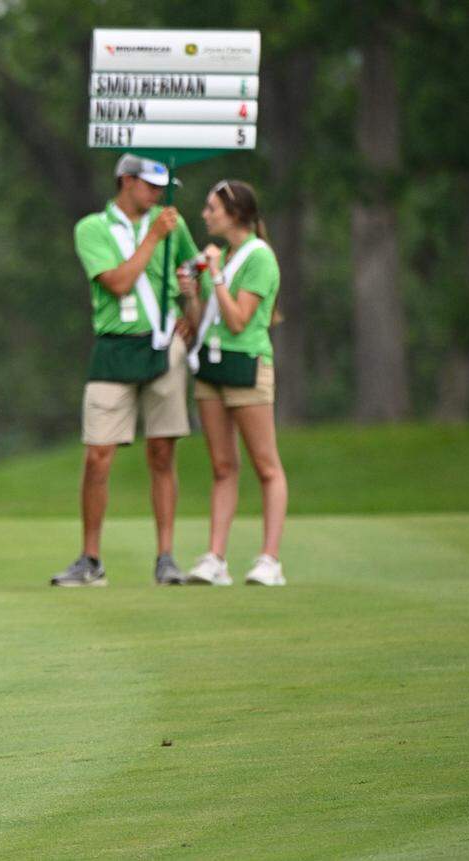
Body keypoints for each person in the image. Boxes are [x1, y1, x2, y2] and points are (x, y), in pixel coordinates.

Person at [51, 154, 199, 587]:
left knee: (162, 452)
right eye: (151, 185)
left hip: (162, 345)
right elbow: (115, 282)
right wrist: (153, 237)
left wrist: (190, 300)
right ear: (126, 181)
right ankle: (90, 560)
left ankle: (166, 558)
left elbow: (189, 268)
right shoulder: (92, 228)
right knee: (98, 455)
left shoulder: (173, 222)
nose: (159, 195)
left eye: (162, 187)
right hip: (114, 347)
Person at [178, 180, 288, 586]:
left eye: (212, 208)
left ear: (235, 213)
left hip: (247, 363)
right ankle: (215, 558)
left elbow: (240, 319)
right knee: (223, 465)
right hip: (213, 365)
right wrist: (192, 294)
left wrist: (218, 276)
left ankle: (269, 560)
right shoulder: (222, 256)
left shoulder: (259, 258)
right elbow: (203, 320)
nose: (205, 214)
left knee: (265, 465)